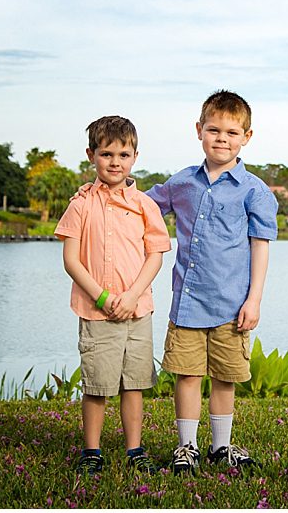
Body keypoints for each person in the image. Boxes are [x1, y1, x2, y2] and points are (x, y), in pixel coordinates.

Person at [147, 90, 278, 474]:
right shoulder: (182, 183)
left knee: (225, 377)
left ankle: (221, 446)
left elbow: (260, 247)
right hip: (188, 302)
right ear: (199, 130)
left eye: (232, 132)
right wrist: (105, 191)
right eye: (214, 129)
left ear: (247, 137)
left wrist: (253, 301)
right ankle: (187, 446)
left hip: (232, 304)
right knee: (187, 375)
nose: (222, 138)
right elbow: (143, 205)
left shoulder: (254, 190)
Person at [54, 115, 171, 475]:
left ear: (135, 156)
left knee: (134, 384)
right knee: (98, 385)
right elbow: (71, 261)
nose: (115, 162)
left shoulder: (145, 206)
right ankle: (92, 451)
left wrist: (133, 295)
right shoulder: (81, 204)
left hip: (138, 311)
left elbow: (156, 255)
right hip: (96, 312)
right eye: (107, 154)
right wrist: (103, 298)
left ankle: (135, 450)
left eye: (123, 154)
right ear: (91, 155)